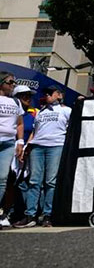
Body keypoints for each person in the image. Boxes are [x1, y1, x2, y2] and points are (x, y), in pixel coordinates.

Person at [13, 85, 71, 228]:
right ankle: (30, 215)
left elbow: (72, 129)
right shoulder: (40, 112)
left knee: (51, 181)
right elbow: (35, 131)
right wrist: (28, 146)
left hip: (56, 146)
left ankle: (47, 215)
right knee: (34, 181)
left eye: (51, 93)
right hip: (37, 147)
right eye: (46, 93)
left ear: (59, 95)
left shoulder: (66, 110)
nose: (47, 95)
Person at [0, 72, 24, 228]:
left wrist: (20, 141)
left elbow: (20, 123)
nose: (13, 85)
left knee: (2, 178)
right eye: (10, 82)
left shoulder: (16, 102)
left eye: (14, 83)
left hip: (8, 143)